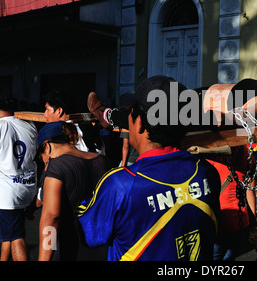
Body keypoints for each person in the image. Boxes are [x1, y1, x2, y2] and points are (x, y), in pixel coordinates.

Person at [78, 75, 221, 261]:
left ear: (138, 123)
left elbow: (89, 233)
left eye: (129, 113)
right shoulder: (206, 171)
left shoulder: (119, 184)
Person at [88, 68, 257, 132]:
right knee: (133, 98)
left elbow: (240, 117)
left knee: (141, 112)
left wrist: (210, 117)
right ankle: (114, 110)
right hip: (194, 95)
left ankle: (106, 116)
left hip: (189, 110)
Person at [0, 87, 37, 261]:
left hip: (8, 194)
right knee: (10, 231)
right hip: (28, 187)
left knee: (16, 236)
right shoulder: (30, 126)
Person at [37, 121, 109, 261]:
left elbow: (51, 218)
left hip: (71, 249)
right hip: (102, 248)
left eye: (41, 155)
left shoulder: (56, 167)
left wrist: (44, 258)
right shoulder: (102, 161)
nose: (44, 161)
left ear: (47, 146)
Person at [43, 89, 101, 153]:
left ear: (59, 111)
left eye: (47, 109)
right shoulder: (82, 128)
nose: (45, 114)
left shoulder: (66, 132)